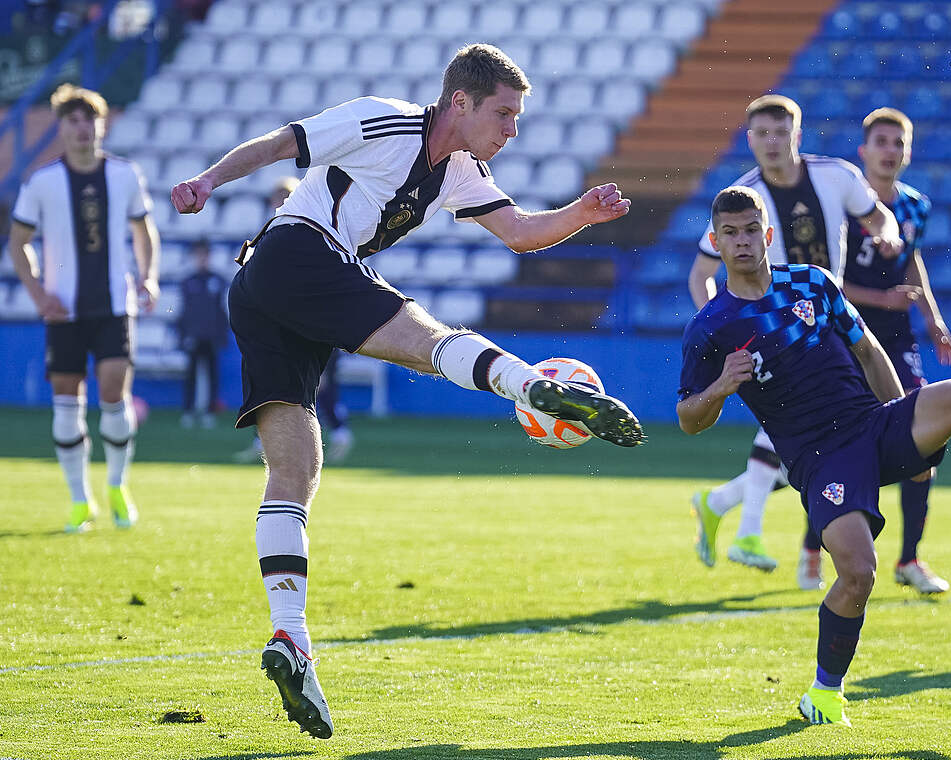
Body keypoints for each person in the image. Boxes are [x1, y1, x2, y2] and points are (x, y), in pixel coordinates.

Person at [170, 43, 645, 739]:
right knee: (424, 338)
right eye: (504, 113)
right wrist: (207, 181)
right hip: (300, 252)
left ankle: (289, 637)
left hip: (266, 294)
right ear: (460, 101)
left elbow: (517, 231)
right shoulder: (382, 122)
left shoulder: (457, 169)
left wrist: (582, 211)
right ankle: (532, 387)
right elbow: (283, 142)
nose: (512, 130)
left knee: (294, 470)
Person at [678, 186, 951, 726]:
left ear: (768, 234)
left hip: (873, 423)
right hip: (822, 461)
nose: (743, 241)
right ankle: (824, 691)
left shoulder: (812, 283)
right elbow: (689, 419)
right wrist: (721, 386)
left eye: (751, 230)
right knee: (859, 573)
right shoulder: (711, 327)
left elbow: (866, 349)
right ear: (716, 243)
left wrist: (907, 425)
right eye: (731, 233)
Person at [687, 94, 903, 578]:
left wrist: (887, 232)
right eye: (761, 134)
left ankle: (719, 502)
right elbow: (699, 271)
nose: (771, 142)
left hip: (832, 318)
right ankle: (750, 533)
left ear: (796, 136)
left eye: (780, 133)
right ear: (750, 141)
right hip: (772, 329)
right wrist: (723, 322)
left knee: (819, 443)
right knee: (793, 426)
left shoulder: (837, 175)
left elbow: (877, 214)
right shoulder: (740, 202)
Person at [7, 83, 159, 533]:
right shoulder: (42, 181)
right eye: (72, 120)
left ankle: (117, 485)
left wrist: (148, 277)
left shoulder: (125, 175)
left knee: (114, 390)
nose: (81, 128)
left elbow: (144, 231)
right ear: (61, 127)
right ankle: (79, 500)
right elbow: (18, 244)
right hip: (64, 312)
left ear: (101, 124)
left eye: (88, 118)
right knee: (66, 405)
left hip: (113, 304)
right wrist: (37, 294)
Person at [833, 107, 951, 595]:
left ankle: (909, 558)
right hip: (845, 332)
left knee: (922, 443)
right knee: (842, 437)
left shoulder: (914, 207)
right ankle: (813, 546)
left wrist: (933, 317)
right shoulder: (845, 207)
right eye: (881, 142)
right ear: (863, 151)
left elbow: (913, 263)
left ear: (908, 152)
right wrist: (879, 299)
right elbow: (830, 279)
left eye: (898, 143)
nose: (890, 151)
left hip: (898, 335)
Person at [232, 177, 355, 463]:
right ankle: (268, 441)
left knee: (314, 383)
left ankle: (336, 432)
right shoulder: (271, 232)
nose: (279, 202)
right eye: (276, 197)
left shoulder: (313, 229)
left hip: (313, 319)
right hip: (283, 318)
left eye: (284, 196)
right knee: (274, 379)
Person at [177, 238, 228, 428]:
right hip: (193, 335)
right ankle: (188, 411)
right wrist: (184, 335)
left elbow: (222, 311)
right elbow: (183, 311)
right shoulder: (188, 282)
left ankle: (209, 411)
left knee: (213, 375)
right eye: (198, 255)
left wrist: (221, 335)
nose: (202, 259)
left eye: (204, 255)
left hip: (211, 335)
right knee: (190, 375)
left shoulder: (217, 280)